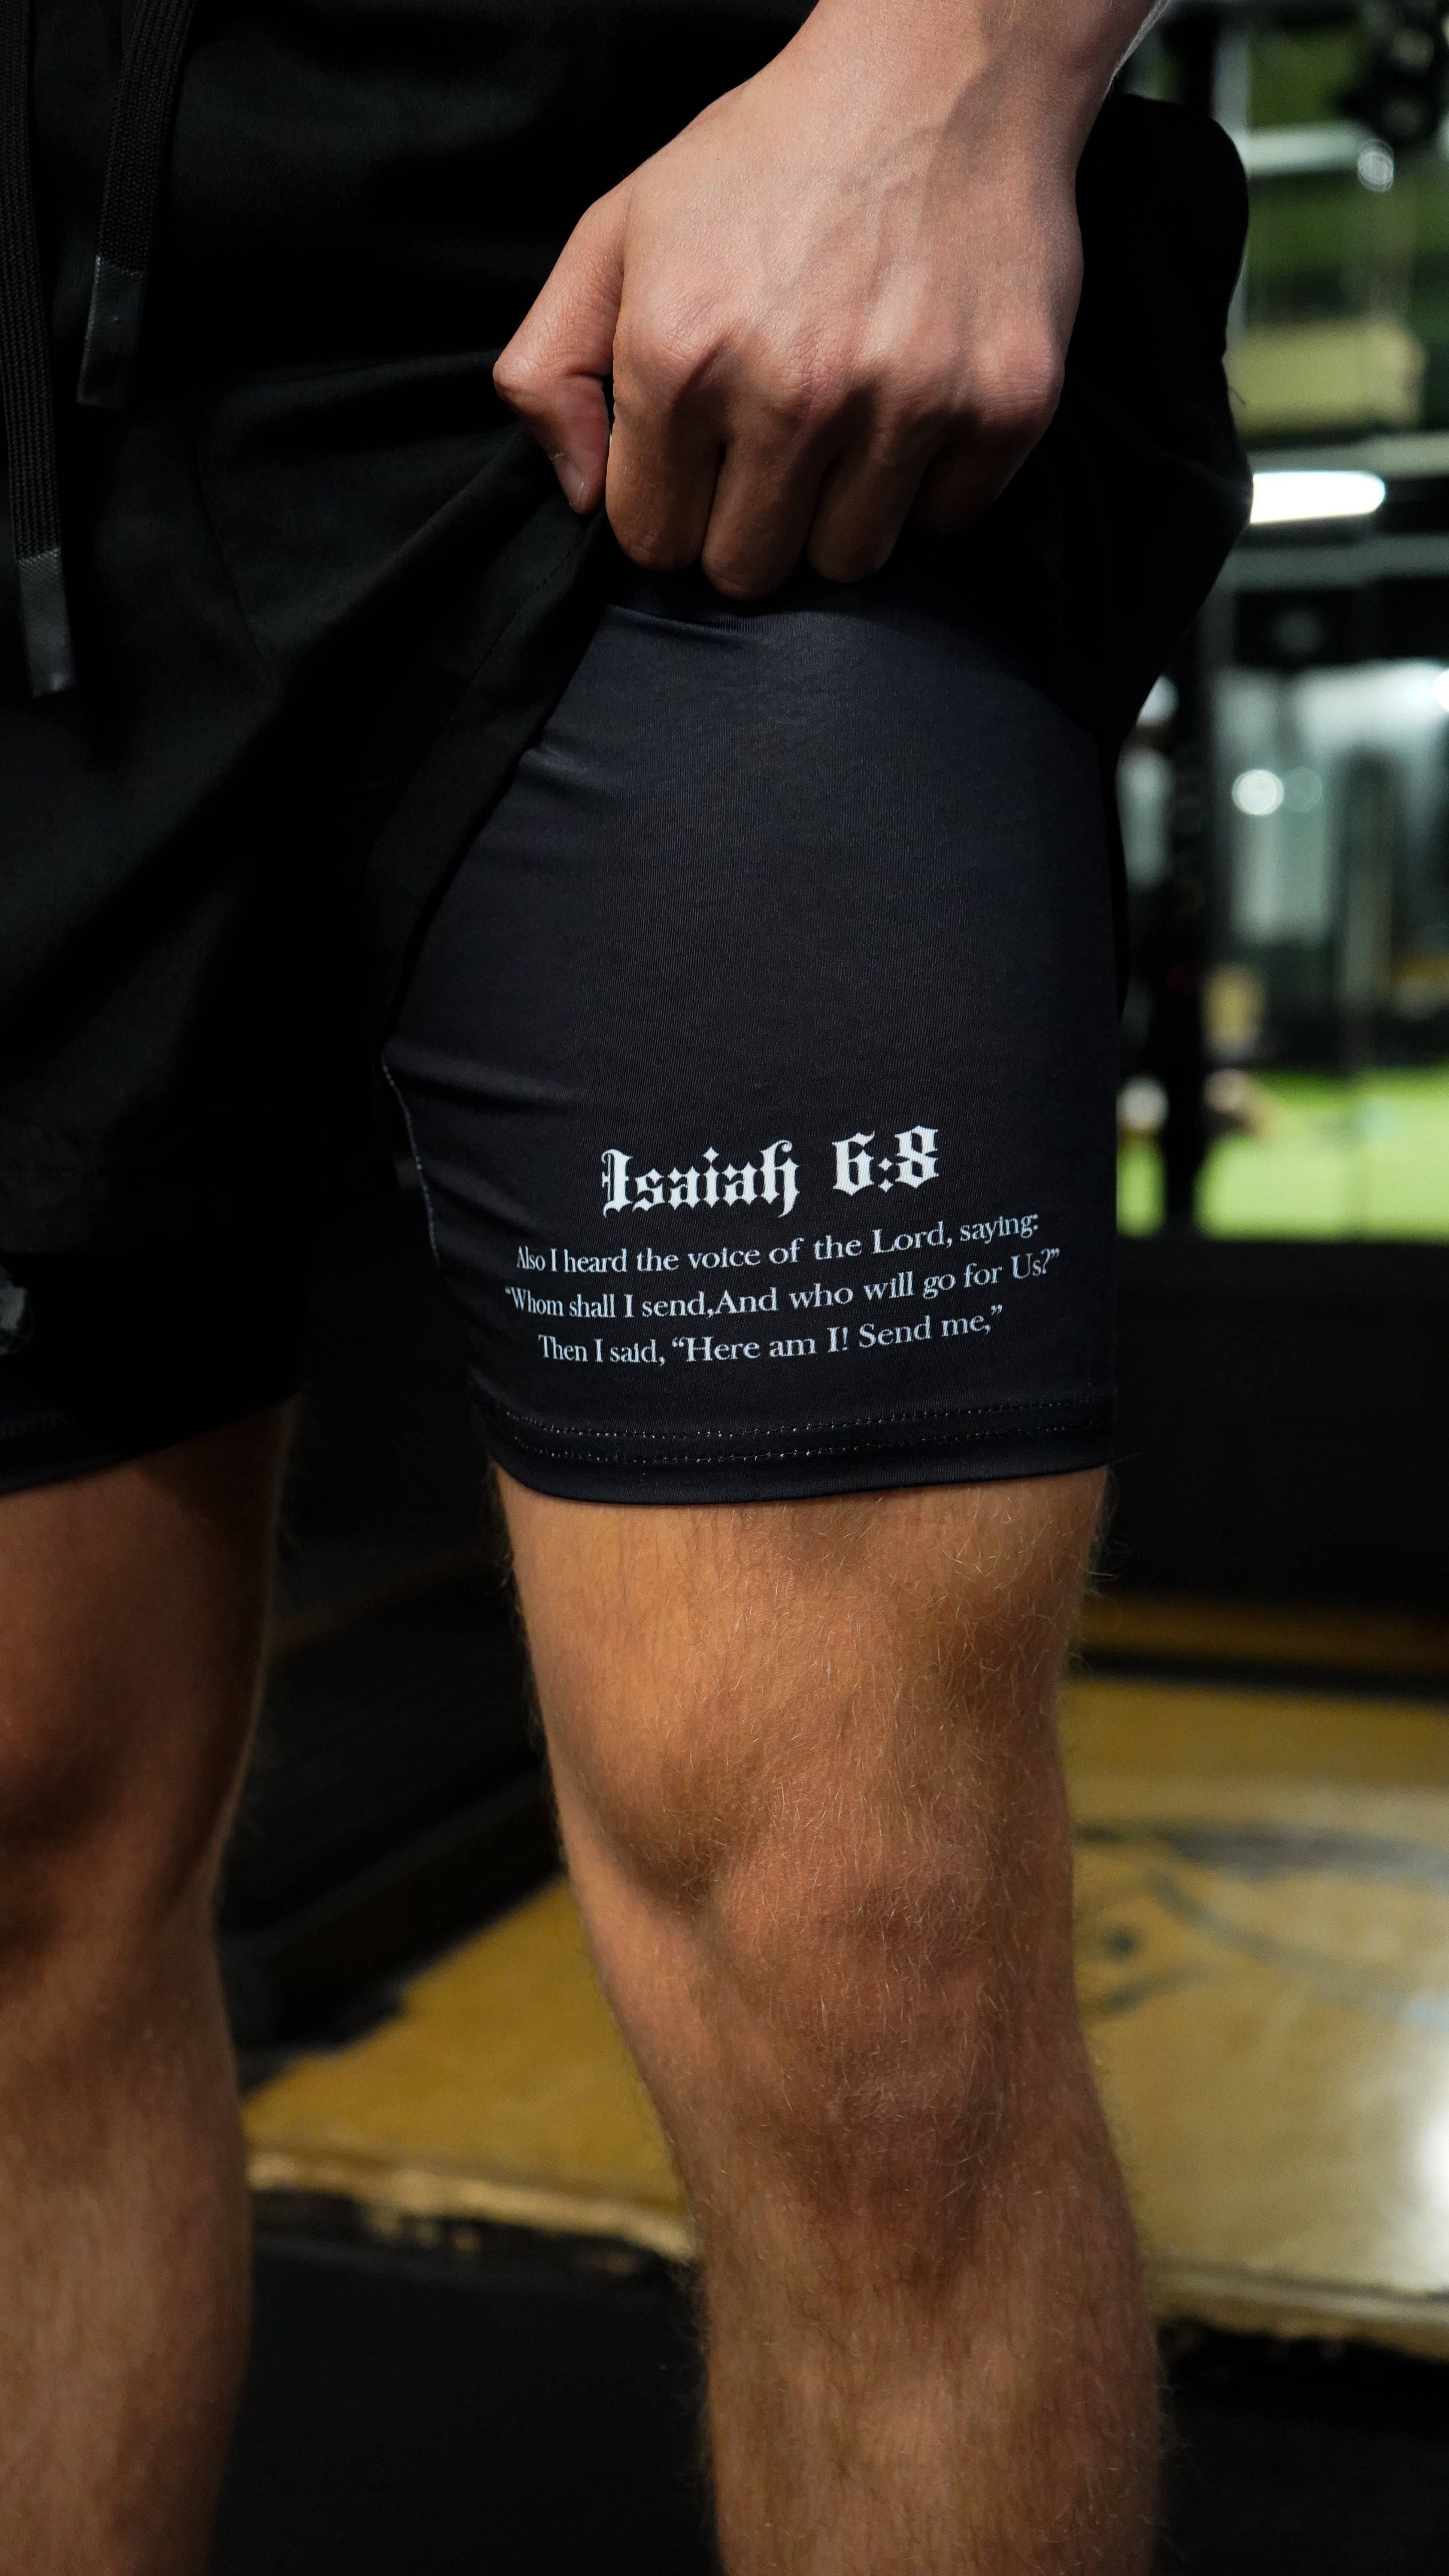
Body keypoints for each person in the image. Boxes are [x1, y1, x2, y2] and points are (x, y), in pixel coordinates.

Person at [0, 0, 1247, 2566]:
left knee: (864, 1983)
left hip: (666, 304)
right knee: (9, 1862)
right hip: (37, 445)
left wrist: (956, 70)